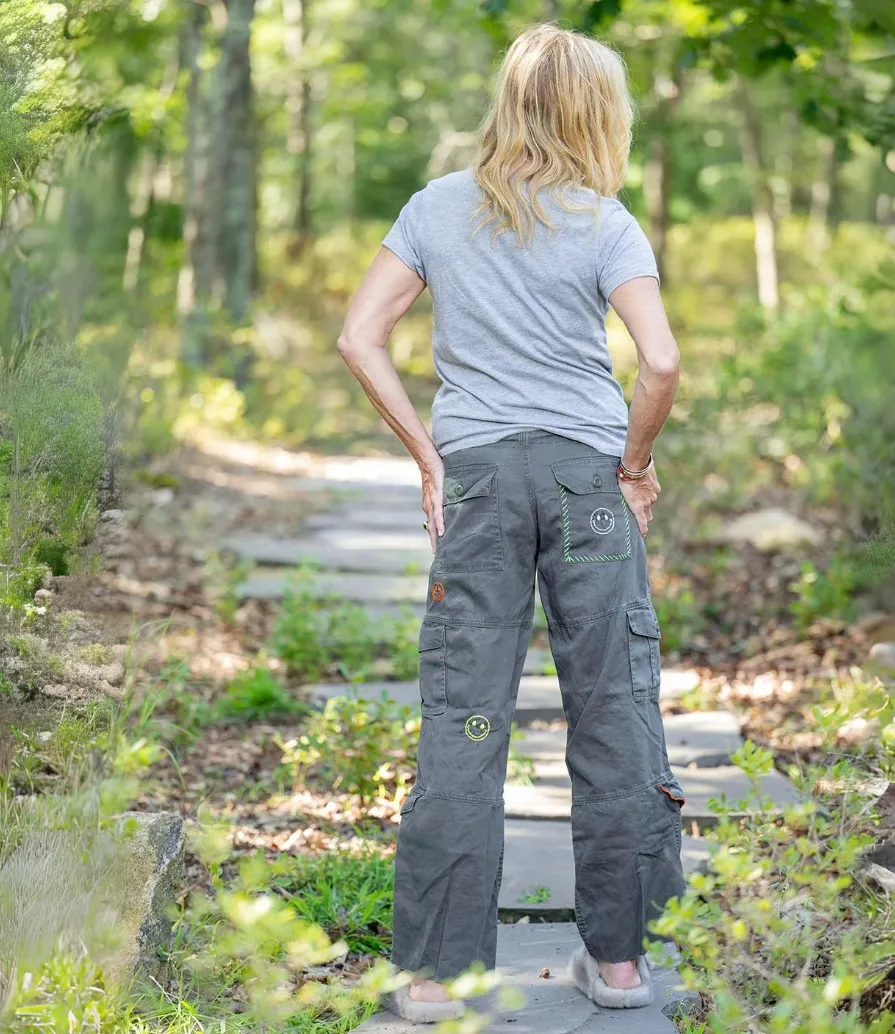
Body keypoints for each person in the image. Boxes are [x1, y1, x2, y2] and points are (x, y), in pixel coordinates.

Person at [337, 22, 684, 1024]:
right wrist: (633, 463)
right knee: (612, 710)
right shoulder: (605, 221)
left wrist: (426, 452)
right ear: (592, 112)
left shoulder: (436, 209)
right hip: (585, 487)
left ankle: (436, 977)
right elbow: (657, 363)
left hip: (479, 486)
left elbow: (361, 335)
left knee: (466, 720)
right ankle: (617, 968)